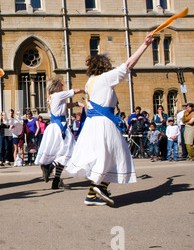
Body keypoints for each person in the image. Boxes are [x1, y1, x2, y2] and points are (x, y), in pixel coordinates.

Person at [66, 33, 154, 206]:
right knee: (117, 155)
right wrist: (144, 45)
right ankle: (101, 186)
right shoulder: (105, 79)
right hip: (103, 124)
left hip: (91, 125)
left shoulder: (89, 81)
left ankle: (92, 195)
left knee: (104, 157)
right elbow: (128, 65)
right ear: (104, 67)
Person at [35, 77, 83, 189]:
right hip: (60, 127)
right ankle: (50, 166)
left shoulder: (51, 97)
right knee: (67, 151)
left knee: (62, 153)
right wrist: (85, 90)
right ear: (56, 86)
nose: (62, 85)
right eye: (60, 84)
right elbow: (73, 91)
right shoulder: (58, 94)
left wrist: (76, 104)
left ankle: (56, 181)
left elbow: (65, 106)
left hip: (54, 126)